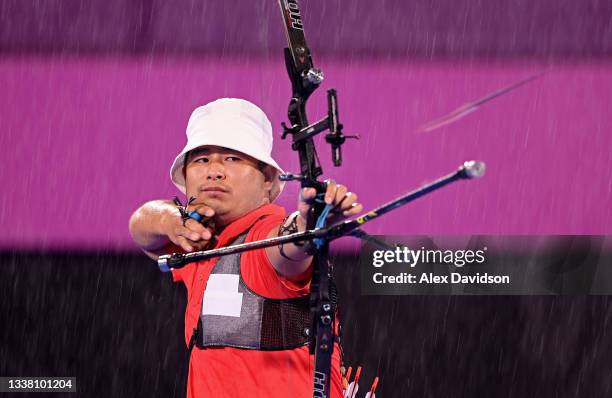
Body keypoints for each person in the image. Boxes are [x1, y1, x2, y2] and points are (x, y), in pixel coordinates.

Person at [128, 98, 362, 397]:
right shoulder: (199, 239)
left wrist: (307, 224)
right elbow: (141, 226)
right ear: (185, 178)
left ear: (267, 180)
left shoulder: (265, 233)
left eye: (232, 159)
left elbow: (289, 246)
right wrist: (175, 220)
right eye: (201, 159)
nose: (214, 171)